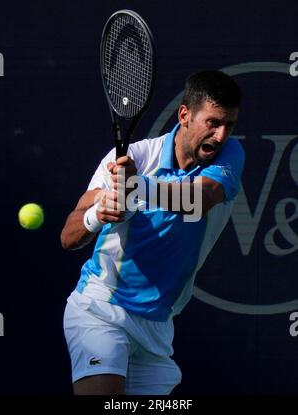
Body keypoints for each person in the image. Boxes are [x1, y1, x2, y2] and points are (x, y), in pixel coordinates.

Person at [61, 70, 244, 395]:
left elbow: (198, 200)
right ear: (185, 115)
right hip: (101, 310)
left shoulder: (229, 156)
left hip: (158, 328)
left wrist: (136, 186)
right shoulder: (135, 157)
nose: (220, 135)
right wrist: (97, 213)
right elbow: (69, 236)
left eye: (229, 125)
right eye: (213, 122)